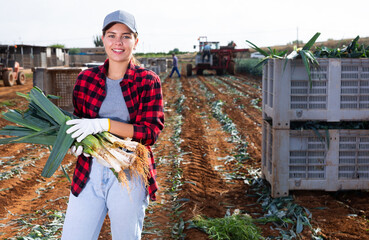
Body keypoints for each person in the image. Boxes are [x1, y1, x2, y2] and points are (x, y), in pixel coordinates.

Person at [61, 10, 164, 240]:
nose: (118, 42)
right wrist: (76, 143)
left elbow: (150, 132)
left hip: (130, 170)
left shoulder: (148, 81)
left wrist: (104, 124)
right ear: (103, 39)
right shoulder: (86, 79)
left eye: (126, 36)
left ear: (135, 41)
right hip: (89, 170)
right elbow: (78, 122)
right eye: (111, 35)